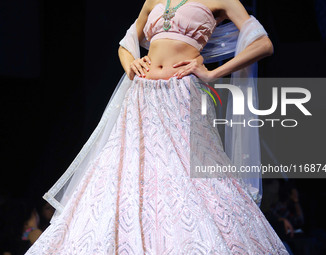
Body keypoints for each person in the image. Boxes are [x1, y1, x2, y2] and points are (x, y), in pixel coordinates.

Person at [25, 0, 289, 254]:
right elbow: (126, 43)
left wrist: (212, 73)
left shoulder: (221, 0)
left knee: (185, 174)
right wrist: (131, 64)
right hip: (141, 95)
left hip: (182, 94)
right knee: (128, 171)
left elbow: (263, 44)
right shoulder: (154, 0)